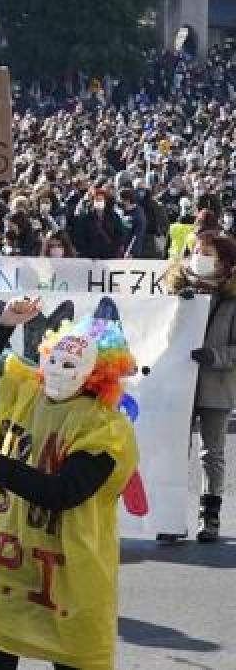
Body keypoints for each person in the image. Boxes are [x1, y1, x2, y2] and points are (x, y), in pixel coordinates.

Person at [0, 299, 138, 670]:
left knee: (71, 658)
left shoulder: (103, 428)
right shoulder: (24, 393)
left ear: (96, 374)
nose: (58, 370)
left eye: (71, 364)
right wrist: (5, 322)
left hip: (66, 573)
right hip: (6, 563)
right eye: (53, 360)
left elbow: (63, 493)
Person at [165, 231, 236, 542]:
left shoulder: (232, 299)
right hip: (179, 381)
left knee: (212, 453)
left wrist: (215, 356)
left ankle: (210, 518)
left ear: (225, 261)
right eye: (196, 251)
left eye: (209, 253)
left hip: (216, 384)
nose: (200, 257)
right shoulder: (176, 289)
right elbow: (159, 332)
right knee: (176, 449)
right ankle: (169, 517)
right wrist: (178, 307)